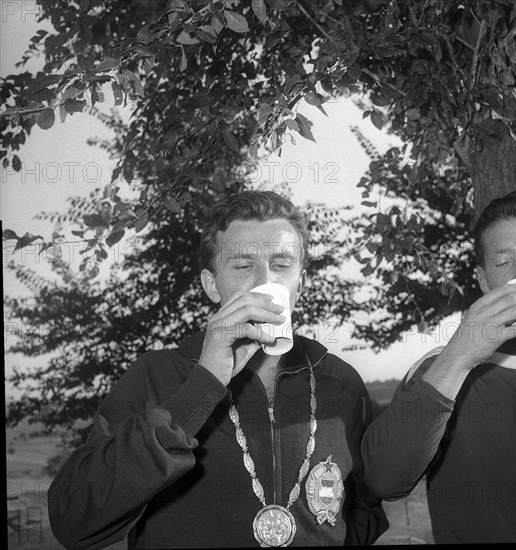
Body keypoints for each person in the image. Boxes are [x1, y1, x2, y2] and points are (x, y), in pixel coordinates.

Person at [48, 190, 388, 548]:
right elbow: (72, 517)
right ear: (212, 285)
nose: (263, 281)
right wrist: (203, 385)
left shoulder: (341, 380)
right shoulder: (153, 376)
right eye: (243, 265)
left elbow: (363, 511)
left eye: (282, 264)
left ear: (300, 285)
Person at [361, 189, 516, 544]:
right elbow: (383, 480)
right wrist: (459, 355)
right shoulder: (440, 368)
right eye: (503, 262)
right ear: (484, 280)